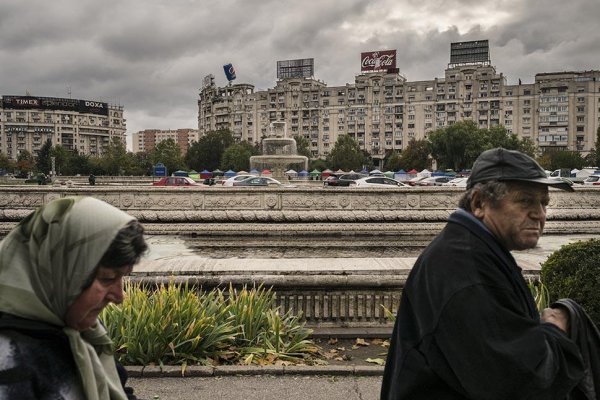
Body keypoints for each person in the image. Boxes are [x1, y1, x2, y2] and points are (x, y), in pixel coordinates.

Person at [381, 148, 598, 399]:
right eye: (525, 200)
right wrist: (557, 326)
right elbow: (522, 382)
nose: (539, 214)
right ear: (479, 203)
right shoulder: (466, 270)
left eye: (544, 203)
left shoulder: (471, 251)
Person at [0, 196, 147, 399]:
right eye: (107, 278)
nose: (119, 296)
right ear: (62, 273)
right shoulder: (10, 360)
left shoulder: (83, 333)